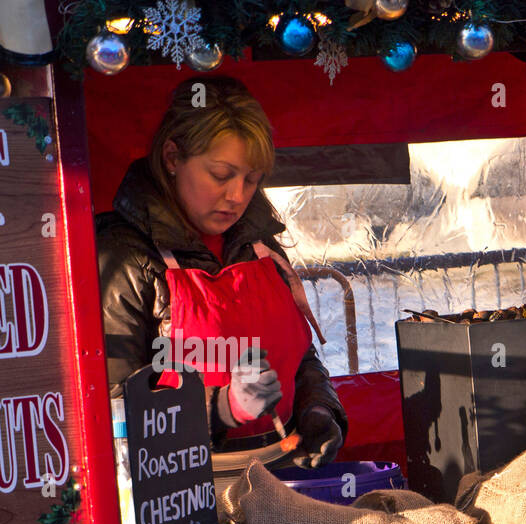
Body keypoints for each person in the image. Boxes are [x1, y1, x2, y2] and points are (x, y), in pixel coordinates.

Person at [97, 76, 346, 467]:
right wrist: (222, 408)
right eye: (220, 175)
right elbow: (115, 416)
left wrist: (317, 408)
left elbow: (297, 356)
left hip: (278, 476)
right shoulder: (124, 258)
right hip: (179, 495)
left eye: (251, 179)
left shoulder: (259, 245)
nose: (237, 196)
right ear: (172, 158)